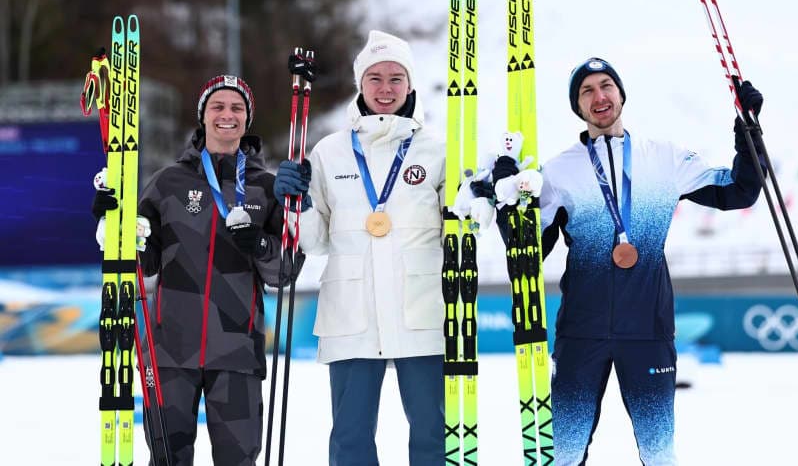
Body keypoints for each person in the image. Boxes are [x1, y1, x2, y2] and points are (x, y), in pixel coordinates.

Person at [492, 57, 764, 465]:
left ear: (620, 93)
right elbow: (525, 252)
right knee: (564, 455)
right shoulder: (558, 172)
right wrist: (507, 200)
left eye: (606, 86)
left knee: (659, 456)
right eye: (587, 91)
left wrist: (749, 130)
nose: (599, 96)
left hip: (649, 333)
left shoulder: (665, 159)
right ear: (577, 107)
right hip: (581, 333)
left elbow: (740, 191)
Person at [93, 75, 298, 466]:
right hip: (169, 353)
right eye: (217, 107)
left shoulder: (266, 188)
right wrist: (109, 215)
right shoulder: (167, 183)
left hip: (238, 354)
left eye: (237, 108)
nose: (227, 115)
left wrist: (259, 244)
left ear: (247, 119)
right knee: (168, 459)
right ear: (202, 116)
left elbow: (284, 273)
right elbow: (141, 258)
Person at [275, 30, 446, 465]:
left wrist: (484, 197)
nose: (385, 89)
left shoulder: (438, 150)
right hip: (351, 315)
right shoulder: (330, 151)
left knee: (432, 435)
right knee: (350, 440)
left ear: (409, 85)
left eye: (395, 78)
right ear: (360, 85)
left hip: (422, 312)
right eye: (375, 78)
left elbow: (460, 229)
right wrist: (296, 206)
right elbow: (314, 241)